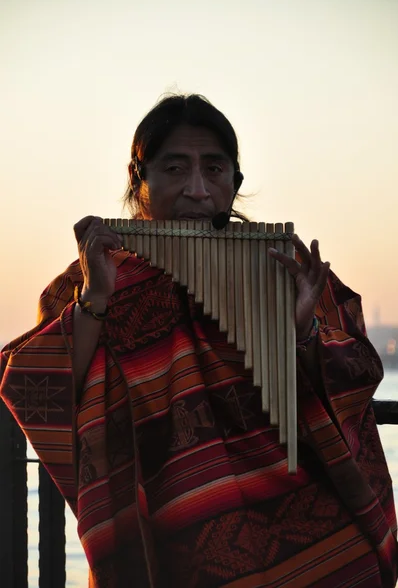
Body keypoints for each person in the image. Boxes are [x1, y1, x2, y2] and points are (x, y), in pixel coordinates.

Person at [0, 94, 397, 588]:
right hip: (179, 535)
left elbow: (356, 375)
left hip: (317, 537)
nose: (197, 190)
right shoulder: (90, 276)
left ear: (235, 182)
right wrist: (98, 297)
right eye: (174, 168)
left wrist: (304, 330)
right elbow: (41, 386)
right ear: (139, 180)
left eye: (214, 169)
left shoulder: (281, 266)